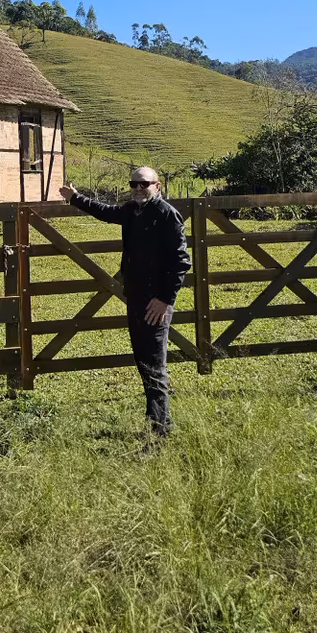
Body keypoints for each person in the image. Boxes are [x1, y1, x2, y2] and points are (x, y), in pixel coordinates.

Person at [58, 167, 191, 438]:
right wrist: (75, 198)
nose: (139, 188)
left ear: (157, 186)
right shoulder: (132, 210)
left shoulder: (166, 214)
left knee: (154, 364)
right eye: (134, 184)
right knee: (143, 361)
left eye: (144, 184)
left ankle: (160, 430)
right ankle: (157, 421)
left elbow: (180, 262)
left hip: (156, 302)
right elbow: (105, 212)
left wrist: (164, 301)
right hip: (136, 298)